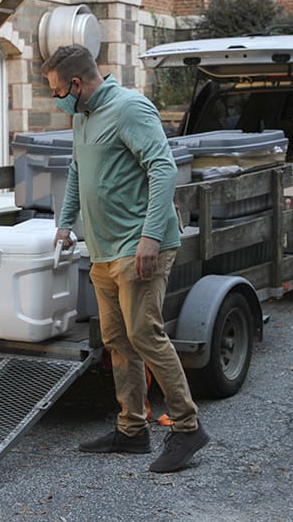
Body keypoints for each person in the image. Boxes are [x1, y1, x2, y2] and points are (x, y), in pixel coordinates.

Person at [42, 45, 209, 473]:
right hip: (102, 249)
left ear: (76, 84)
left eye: (57, 89)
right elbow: (79, 170)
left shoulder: (130, 108)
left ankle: (188, 427)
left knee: (145, 334)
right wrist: (65, 222)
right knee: (117, 340)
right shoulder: (81, 115)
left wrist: (151, 237)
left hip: (139, 247)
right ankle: (132, 429)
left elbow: (163, 168)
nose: (55, 97)